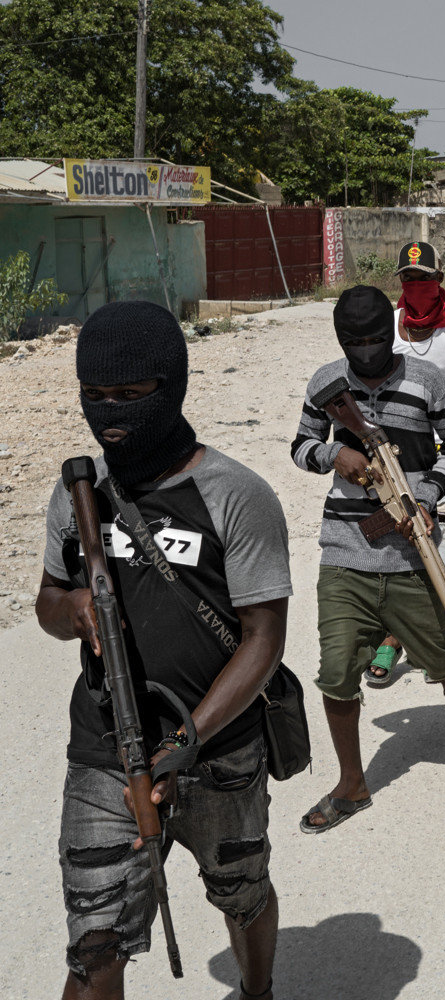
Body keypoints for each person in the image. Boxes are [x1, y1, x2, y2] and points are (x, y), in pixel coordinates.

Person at [38, 301, 290, 1000]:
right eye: (95, 395)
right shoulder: (78, 495)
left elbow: (264, 641)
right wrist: (75, 608)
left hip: (219, 754)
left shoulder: (236, 495)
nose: (109, 411)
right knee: (95, 945)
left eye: (129, 395)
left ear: (170, 386)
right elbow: (46, 604)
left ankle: (258, 990)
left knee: (241, 893)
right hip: (105, 752)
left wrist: (186, 741)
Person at [292, 285, 445, 835]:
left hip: (409, 548)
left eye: (378, 338)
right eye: (356, 342)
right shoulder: (327, 385)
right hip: (344, 549)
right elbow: (301, 446)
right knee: (335, 672)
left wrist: (422, 499)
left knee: (437, 656)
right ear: (340, 340)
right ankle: (352, 784)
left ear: (394, 331)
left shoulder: (426, 383)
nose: (368, 351)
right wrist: (336, 454)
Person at [364, 241, 445, 686]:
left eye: (424, 278)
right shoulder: (389, 328)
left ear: (439, 280)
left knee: (436, 539)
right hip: (389, 455)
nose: (415, 286)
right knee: (389, 538)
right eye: (408, 279)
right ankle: (404, 631)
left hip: (439, 458)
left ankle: (406, 638)